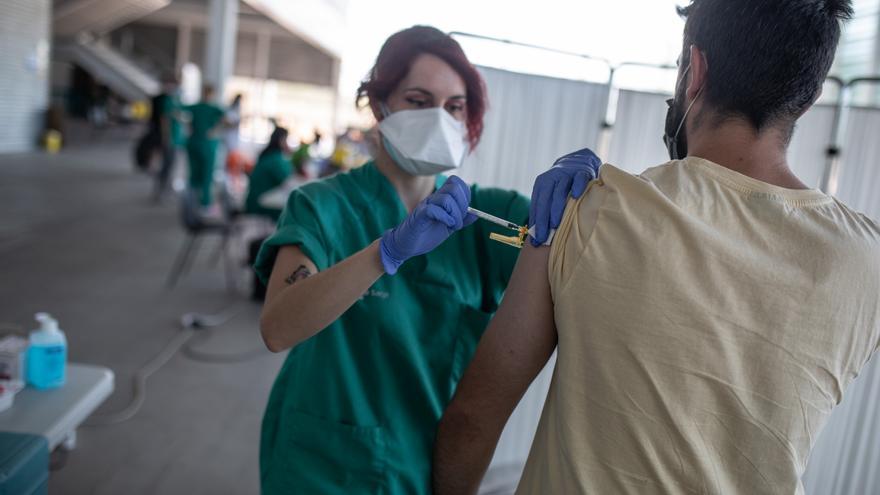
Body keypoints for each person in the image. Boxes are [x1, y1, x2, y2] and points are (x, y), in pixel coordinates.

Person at [433, 1, 880, 494]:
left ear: (696, 71)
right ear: (810, 97)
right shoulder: (867, 259)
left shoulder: (587, 209)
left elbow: (472, 422)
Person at [254, 26, 601, 494]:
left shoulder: (489, 218)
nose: (439, 118)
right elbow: (278, 327)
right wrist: (388, 251)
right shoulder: (322, 206)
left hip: (425, 466)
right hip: (321, 464)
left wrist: (593, 197)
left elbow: (590, 255)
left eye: (454, 106)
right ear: (380, 107)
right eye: (418, 100)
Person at [184, 85, 226, 209]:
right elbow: (227, 120)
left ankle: (193, 202)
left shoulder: (196, 108)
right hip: (205, 145)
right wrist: (215, 131)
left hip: (194, 143)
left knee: (194, 175)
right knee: (206, 174)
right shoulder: (213, 109)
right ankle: (205, 203)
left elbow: (178, 113)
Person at [245, 126, 292, 222]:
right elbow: (288, 180)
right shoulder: (276, 159)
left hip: (253, 201)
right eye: (287, 140)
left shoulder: (267, 155)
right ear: (281, 140)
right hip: (260, 205)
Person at [151, 73, 185, 201]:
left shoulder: (177, 99)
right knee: (166, 165)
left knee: (171, 165)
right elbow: (164, 120)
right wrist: (167, 137)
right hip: (170, 138)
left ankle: (167, 188)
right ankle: (160, 191)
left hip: (176, 139)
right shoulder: (167, 100)